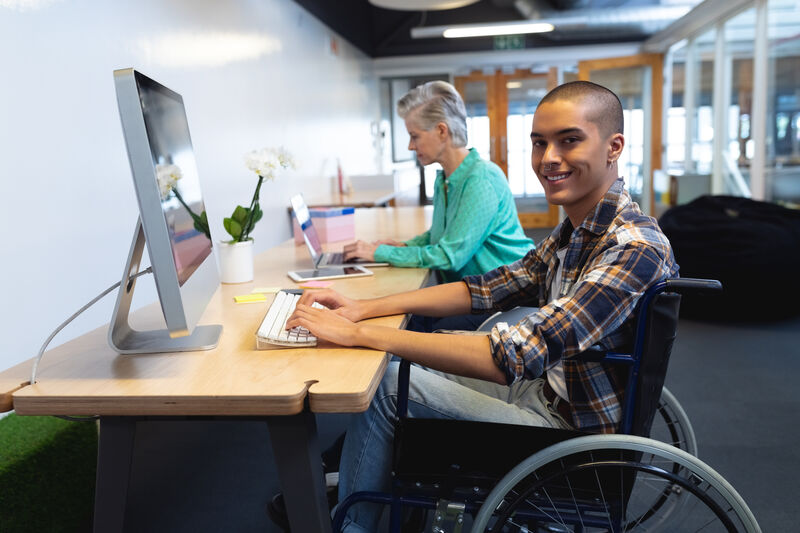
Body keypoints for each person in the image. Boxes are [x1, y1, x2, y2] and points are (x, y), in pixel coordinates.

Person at [286, 81, 679, 532]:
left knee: (391, 383)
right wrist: (362, 307)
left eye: (569, 140)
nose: (549, 157)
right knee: (412, 355)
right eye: (539, 143)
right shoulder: (578, 230)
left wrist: (359, 333)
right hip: (545, 388)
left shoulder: (633, 248)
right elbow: (487, 288)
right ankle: (364, 479)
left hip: (570, 434)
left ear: (614, 147)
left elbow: (512, 355)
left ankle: (351, 522)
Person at [344, 81, 532, 312]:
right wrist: (405, 245)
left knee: (404, 322)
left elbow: (449, 255)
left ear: (442, 131)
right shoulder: (445, 177)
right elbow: (444, 234)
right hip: (470, 294)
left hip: (503, 302)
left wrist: (380, 253)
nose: (411, 146)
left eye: (415, 136)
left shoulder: (481, 179)